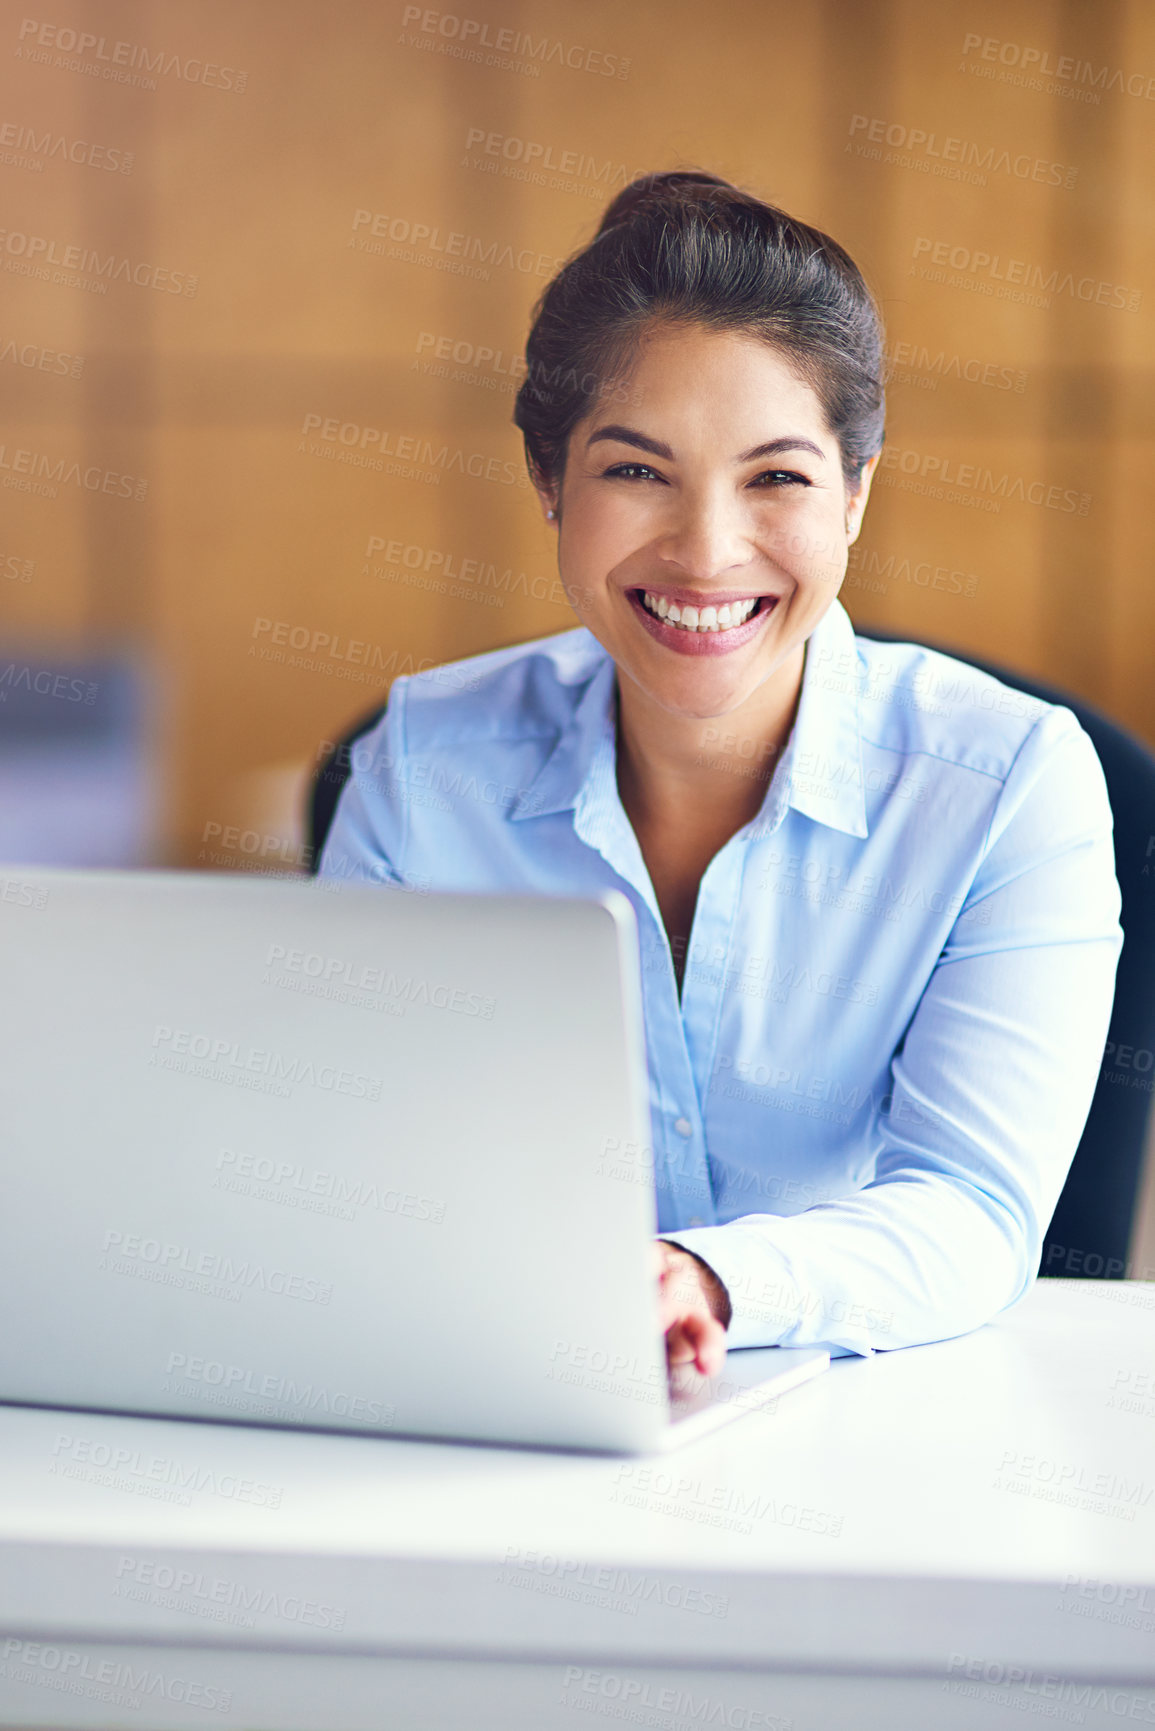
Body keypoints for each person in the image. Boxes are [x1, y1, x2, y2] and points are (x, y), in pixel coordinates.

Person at [319, 169, 1122, 1379]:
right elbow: (347, 1169)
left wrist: (710, 1279)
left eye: (778, 477)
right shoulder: (422, 770)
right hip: (515, 1405)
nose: (705, 552)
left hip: (877, 1421)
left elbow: (972, 1210)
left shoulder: (1010, 783)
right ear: (549, 481)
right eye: (636, 470)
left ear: (856, 495)